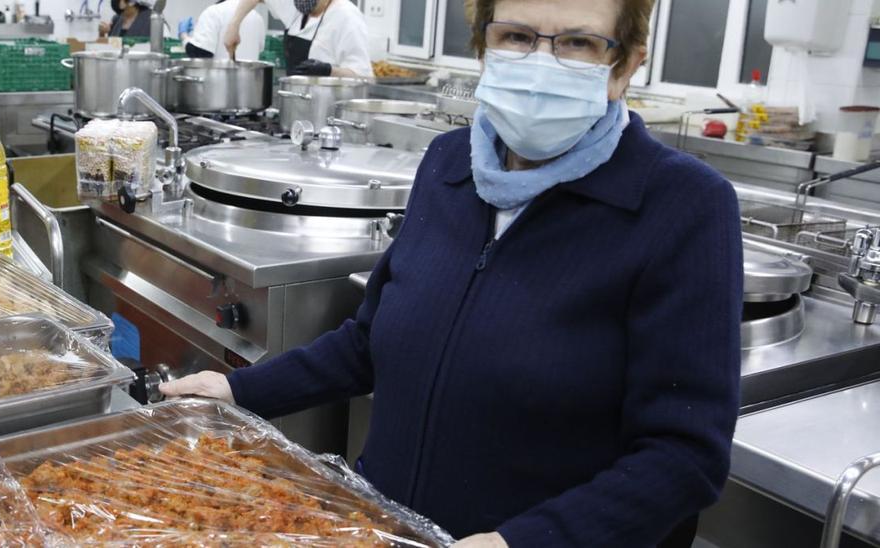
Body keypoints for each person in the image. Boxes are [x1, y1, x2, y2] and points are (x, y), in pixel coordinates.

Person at [161, 0, 742, 547]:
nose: (541, 63)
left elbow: (683, 456)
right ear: (483, 49)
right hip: (384, 524)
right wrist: (239, 389)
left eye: (577, 43)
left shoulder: (681, 207)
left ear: (625, 65)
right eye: (516, 36)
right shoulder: (449, 165)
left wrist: (522, 542)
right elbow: (371, 341)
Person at [219, 0, 370, 77]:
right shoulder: (297, 8)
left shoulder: (347, 16)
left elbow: (363, 77)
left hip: (327, 115)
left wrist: (328, 70)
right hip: (296, 108)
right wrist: (234, 25)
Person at [186, 0, 266, 60]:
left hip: (219, 80)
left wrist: (184, 36)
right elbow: (260, 49)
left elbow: (199, 53)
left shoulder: (213, 12)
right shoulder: (258, 18)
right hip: (250, 80)